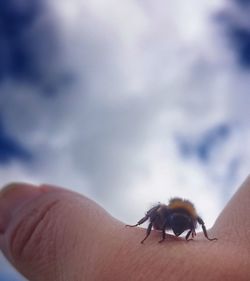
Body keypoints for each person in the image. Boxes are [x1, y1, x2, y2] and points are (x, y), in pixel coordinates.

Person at [0, 177, 249, 281]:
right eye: (180, 223)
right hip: (164, 220)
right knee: (156, 209)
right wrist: (148, 230)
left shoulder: (191, 219)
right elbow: (157, 213)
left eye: (187, 225)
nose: (180, 227)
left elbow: (198, 222)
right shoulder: (164, 212)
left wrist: (202, 235)